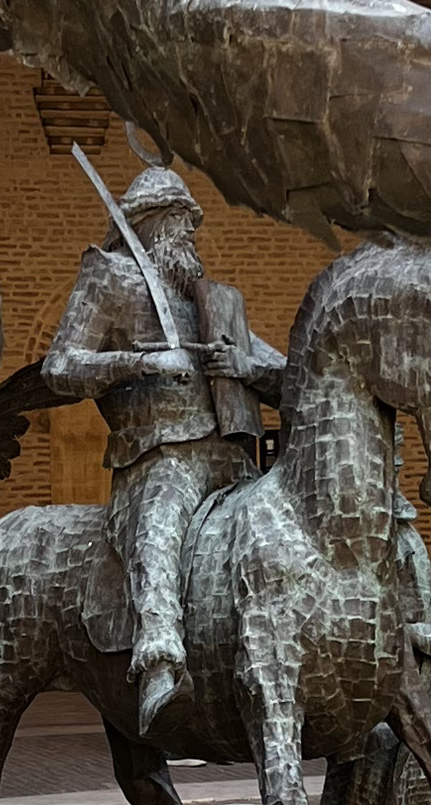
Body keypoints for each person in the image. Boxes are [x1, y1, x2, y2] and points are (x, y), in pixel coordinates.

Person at [36, 168, 287, 729]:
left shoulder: (210, 300)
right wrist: (141, 362)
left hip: (231, 457)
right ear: (147, 224)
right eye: (178, 220)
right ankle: (159, 659)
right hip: (158, 455)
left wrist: (244, 365)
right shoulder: (109, 276)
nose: (190, 233)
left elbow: (286, 375)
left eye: (192, 222)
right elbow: (60, 366)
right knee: (158, 530)